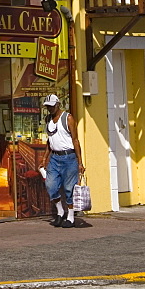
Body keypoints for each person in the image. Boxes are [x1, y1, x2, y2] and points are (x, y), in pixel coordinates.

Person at [41, 93, 85, 228]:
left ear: (58, 105)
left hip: (69, 157)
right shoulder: (48, 119)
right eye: (47, 107)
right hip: (55, 157)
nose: (50, 109)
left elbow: (75, 140)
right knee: (51, 185)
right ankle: (60, 211)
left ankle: (70, 216)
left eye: (52, 106)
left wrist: (80, 162)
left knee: (68, 187)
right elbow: (50, 140)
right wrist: (45, 158)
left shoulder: (68, 118)